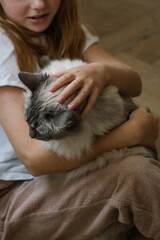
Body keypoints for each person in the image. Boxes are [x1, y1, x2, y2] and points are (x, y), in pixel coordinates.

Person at [0, 0, 159, 239]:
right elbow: (34, 160)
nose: (39, 3)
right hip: (14, 199)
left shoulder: (64, 29)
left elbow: (134, 84)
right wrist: (131, 133)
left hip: (58, 178)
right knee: (136, 176)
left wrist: (102, 72)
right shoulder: (3, 50)